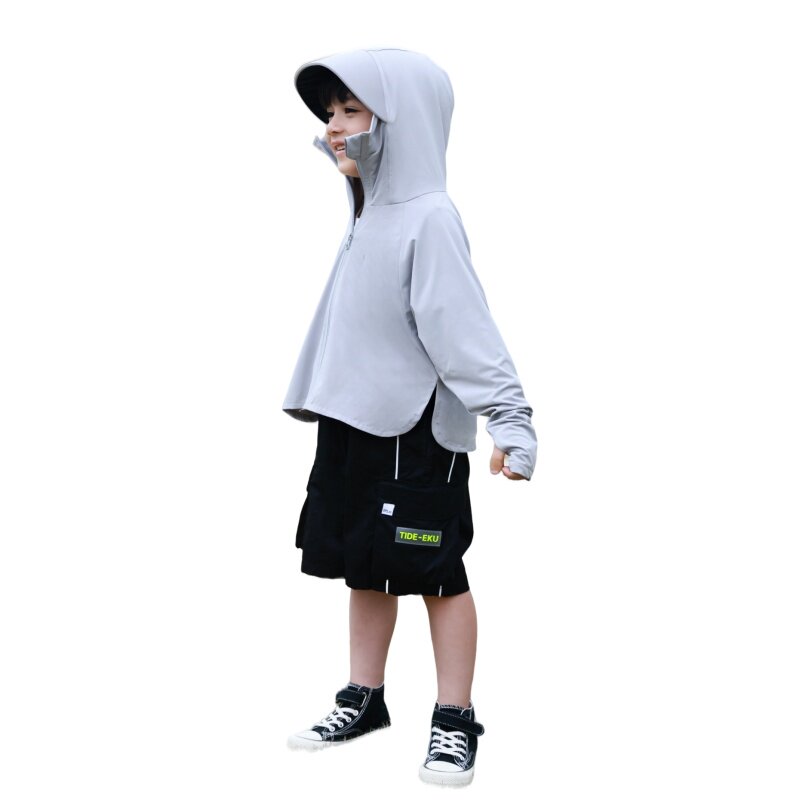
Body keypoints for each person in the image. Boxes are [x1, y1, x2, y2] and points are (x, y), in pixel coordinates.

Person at [282, 48, 537, 787]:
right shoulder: (369, 212)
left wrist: (510, 421)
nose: (334, 126)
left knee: (435, 574)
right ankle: (364, 698)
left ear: (403, 120)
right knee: (363, 566)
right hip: (353, 423)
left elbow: (465, 333)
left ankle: (455, 719)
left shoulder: (430, 219)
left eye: (352, 110)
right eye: (330, 112)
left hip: (413, 435)